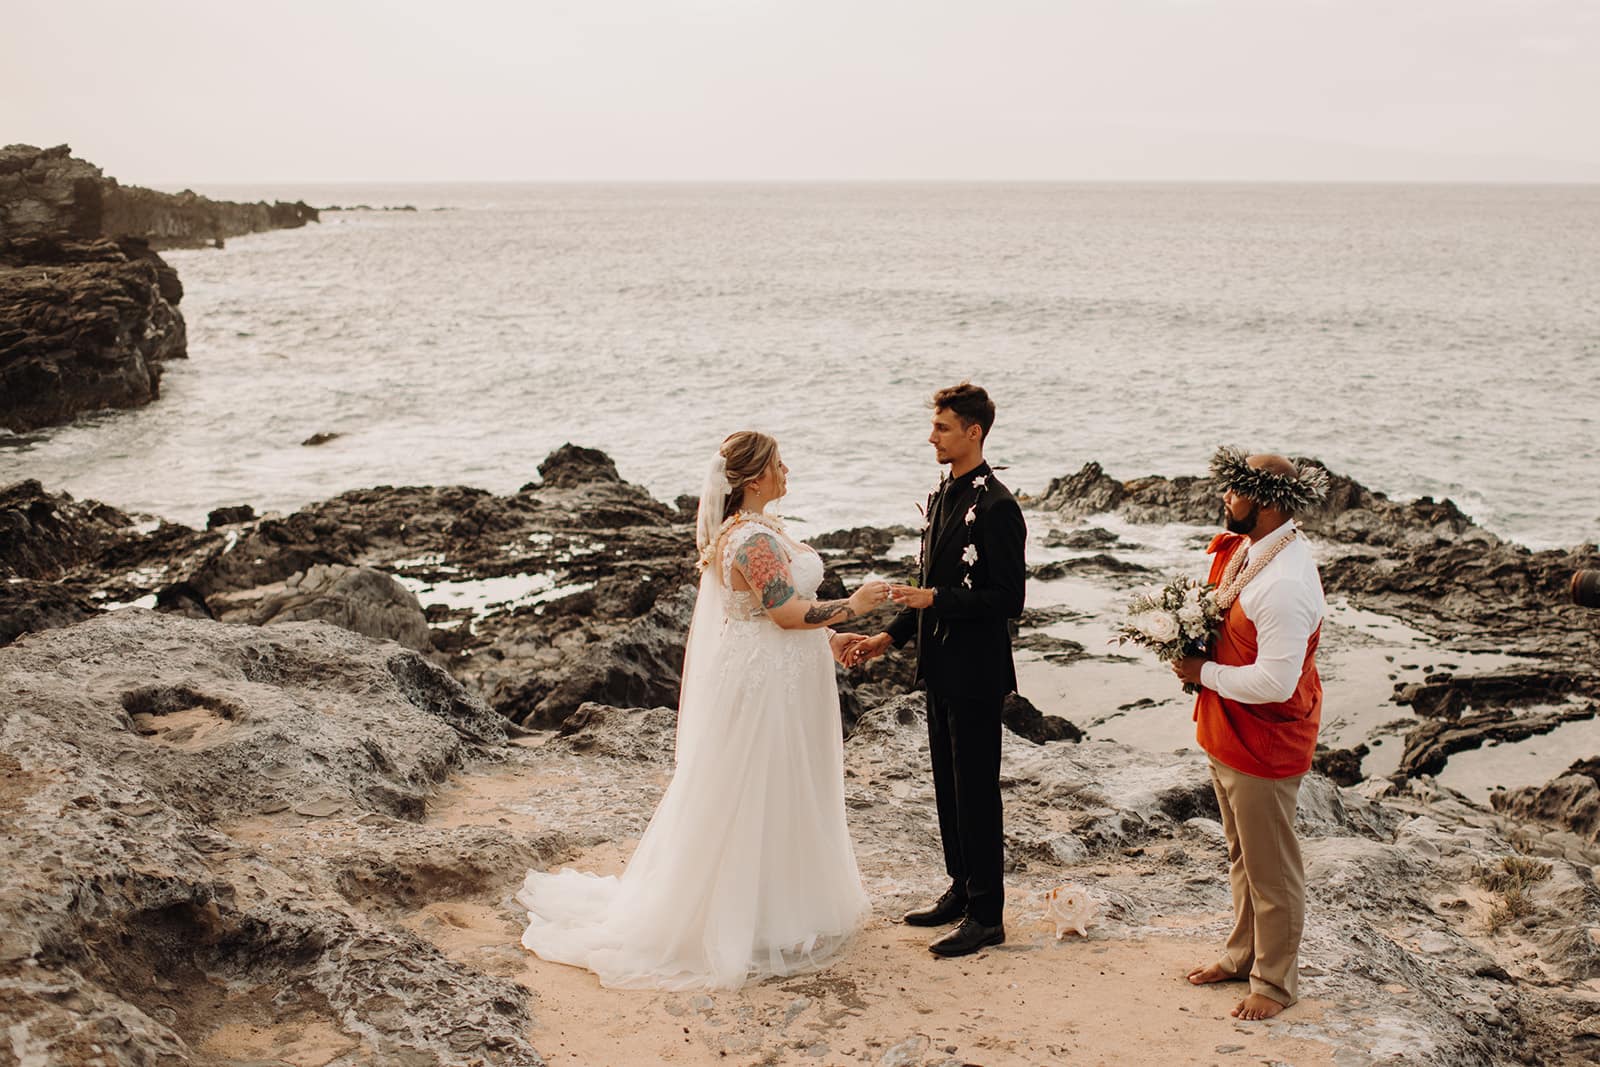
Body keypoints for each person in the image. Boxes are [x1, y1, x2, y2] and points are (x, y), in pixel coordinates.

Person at [515, 431, 889, 989]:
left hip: (781, 674)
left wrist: (831, 640)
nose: (787, 470)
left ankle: (780, 909)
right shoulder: (752, 540)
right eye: (778, 463)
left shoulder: (759, 532)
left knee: (786, 788)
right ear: (755, 477)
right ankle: (748, 921)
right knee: (754, 791)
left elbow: (778, 615)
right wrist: (854, 604)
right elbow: (786, 613)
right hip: (766, 688)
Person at [853, 383, 1026, 957]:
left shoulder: (999, 507)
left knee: (977, 792)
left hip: (978, 672)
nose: (932, 436)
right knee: (949, 791)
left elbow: (1007, 599)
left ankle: (988, 916)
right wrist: (888, 636)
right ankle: (961, 889)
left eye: (943, 428)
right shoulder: (943, 494)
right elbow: (929, 583)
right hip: (939, 668)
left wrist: (936, 602)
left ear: (973, 432)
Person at [1172, 446, 1328, 1020]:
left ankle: (1275, 983)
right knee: (1242, 856)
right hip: (1229, 730)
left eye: (1234, 490)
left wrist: (1202, 671)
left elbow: (1276, 681)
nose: (1224, 498)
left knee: (1273, 870)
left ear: (1262, 502)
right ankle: (1242, 956)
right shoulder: (1253, 550)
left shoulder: (1284, 581)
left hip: (1264, 740)